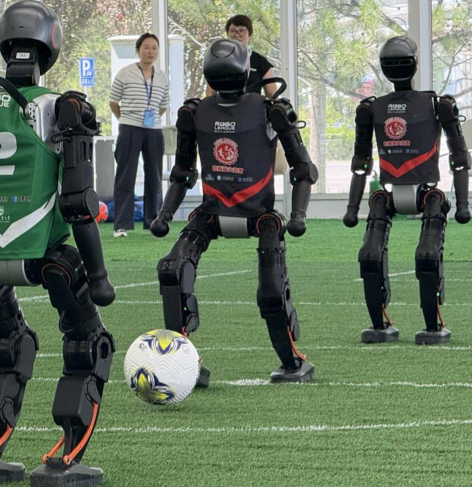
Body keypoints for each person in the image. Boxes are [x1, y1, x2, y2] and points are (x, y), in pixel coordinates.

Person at [0, 1, 116, 485]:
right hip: (49, 256)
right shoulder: (60, 107)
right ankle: (66, 455)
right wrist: (98, 277)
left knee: (5, 342)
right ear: (50, 44)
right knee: (88, 342)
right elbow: (78, 201)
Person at [150, 39, 319, 385]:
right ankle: (185, 365)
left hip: (261, 214)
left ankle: (291, 361)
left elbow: (303, 169)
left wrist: (298, 214)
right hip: (210, 211)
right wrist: (165, 214)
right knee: (172, 269)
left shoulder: (270, 110)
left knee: (271, 290)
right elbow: (182, 173)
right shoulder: (195, 113)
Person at [343, 36, 472, 345]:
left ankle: (432, 325)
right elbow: (361, 163)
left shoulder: (436, 104)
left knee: (427, 255)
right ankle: (379, 324)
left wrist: (463, 203)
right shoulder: (372, 108)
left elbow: (459, 157)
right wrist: (351, 207)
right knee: (369, 255)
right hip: (387, 191)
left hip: (428, 191)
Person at [109, 33, 170, 237]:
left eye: (154, 47)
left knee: (154, 176)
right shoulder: (125, 73)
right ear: (138, 50)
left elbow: (163, 105)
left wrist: (151, 120)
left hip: (154, 130)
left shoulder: (162, 76)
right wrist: (127, 119)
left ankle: (153, 222)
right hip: (129, 128)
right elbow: (113, 102)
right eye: (146, 47)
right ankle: (121, 225)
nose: (150, 51)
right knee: (125, 176)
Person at [205, 14, 279, 98]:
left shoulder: (261, 62)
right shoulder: (218, 60)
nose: (237, 35)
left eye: (242, 31)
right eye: (232, 31)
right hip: (224, 105)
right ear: (227, 34)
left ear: (249, 34)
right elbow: (210, 94)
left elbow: (273, 95)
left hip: (253, 105)